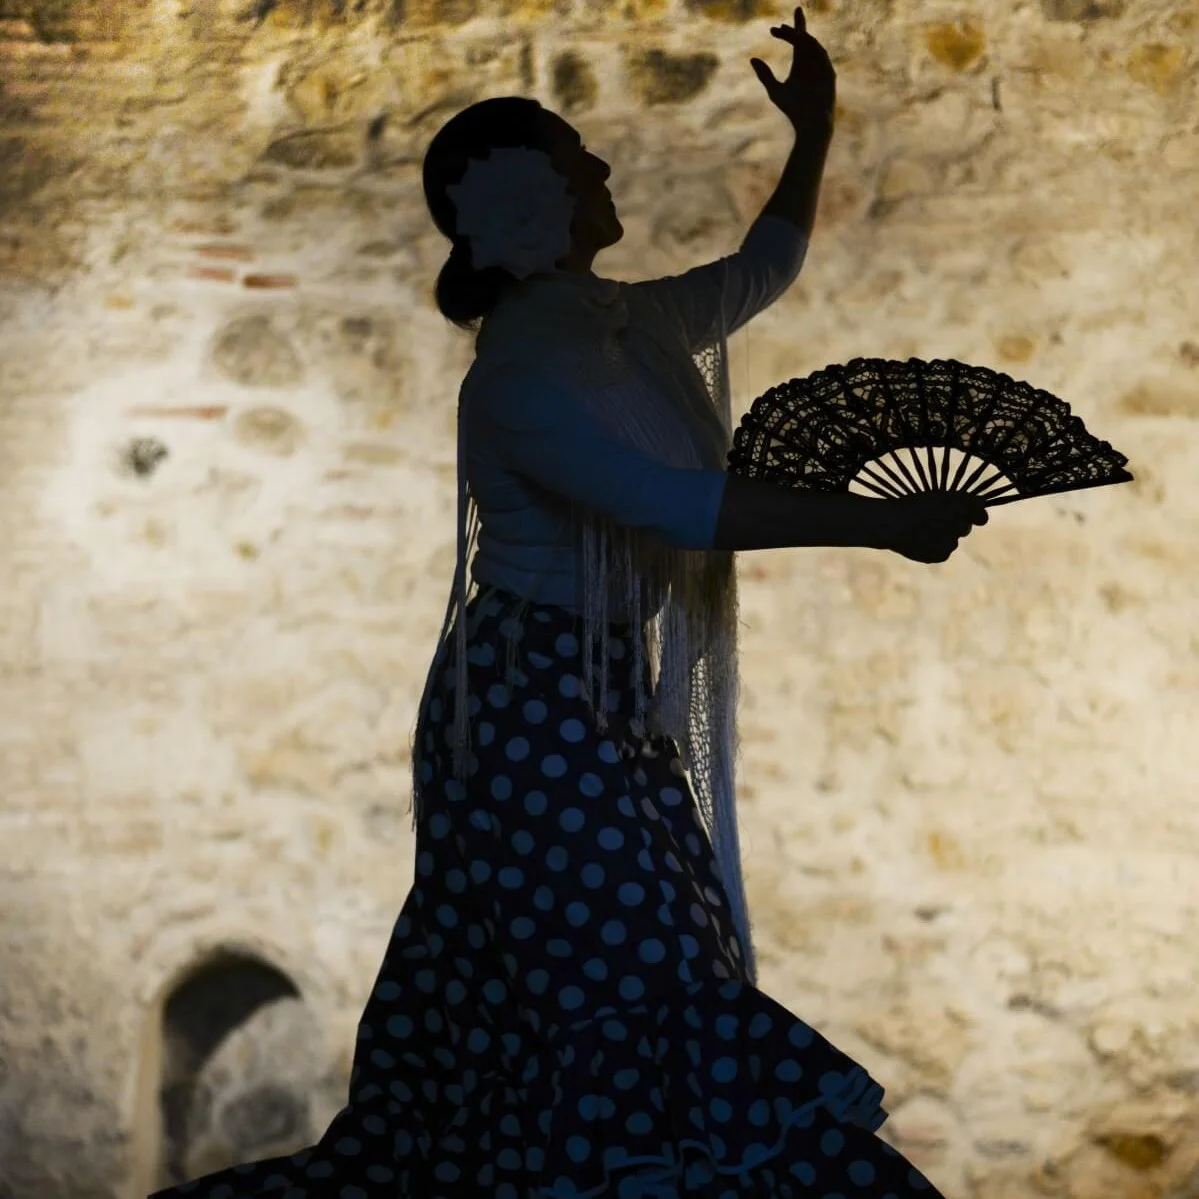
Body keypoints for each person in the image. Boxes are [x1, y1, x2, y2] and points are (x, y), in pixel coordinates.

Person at [149, 9, 987, 1198]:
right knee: (630, 973)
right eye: (572, 156)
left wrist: (813, 132)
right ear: (531, 201)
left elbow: (761, 270)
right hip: (524, 717)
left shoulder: (624, 324)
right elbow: (670, 503)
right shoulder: (521, 375)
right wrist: (877, 519)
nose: (599, 169)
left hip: (593, 699)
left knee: (642, 966)